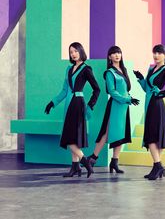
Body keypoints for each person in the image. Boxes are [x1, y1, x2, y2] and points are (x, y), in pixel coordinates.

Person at [44, 42, 100, 178]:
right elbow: (64, 90)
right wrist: (52, 103)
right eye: (71, 52)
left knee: (69, 139)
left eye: (75, 51)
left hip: (78, 104)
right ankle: (75, 167)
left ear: (81, 51)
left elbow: (97, 89)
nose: (73, 54)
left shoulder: (86, 69)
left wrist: (90, 105)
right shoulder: (68, 69)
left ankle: (85, 162)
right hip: (68, 106)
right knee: (72, 138)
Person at [88, 46, 139, 173]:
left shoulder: (124, 69)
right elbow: (112, 91)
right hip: (115, 106)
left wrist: (130, 98)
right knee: (106, 132)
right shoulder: (109, 73)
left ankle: (114, 162)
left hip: (124, 106)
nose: (117, 55)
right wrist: (127, 99)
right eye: (114, 53)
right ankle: (92, 159)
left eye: (119, 52)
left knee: (121, 135)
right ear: (109, 57)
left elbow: (125, 89)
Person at [133, 44, 165, 180]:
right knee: (154, 135)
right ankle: (157, 167)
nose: (156, 55)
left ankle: (158, 165)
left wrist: (161, 93)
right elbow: (146, 89)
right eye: (154, 53)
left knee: (152, 136)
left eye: (159, 53)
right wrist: (141, 78)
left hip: (156, 104)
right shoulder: (152, 69)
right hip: (150, 104)